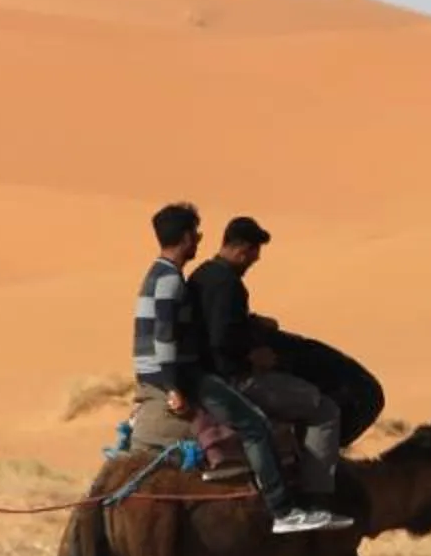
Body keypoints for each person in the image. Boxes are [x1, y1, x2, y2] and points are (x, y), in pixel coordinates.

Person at [133, 202, 348, 536]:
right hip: (188, 375)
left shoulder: (177, 275)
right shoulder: (174, 280)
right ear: (186, 237)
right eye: (195, 233)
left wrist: (253, 324)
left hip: (169, 372)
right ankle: (287, 509)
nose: (199, 239)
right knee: (258, 425)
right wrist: (174, 388)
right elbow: (166, 336)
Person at [185, 215, 348, 510]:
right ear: (240, 249)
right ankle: (317, 498)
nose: (255, 259)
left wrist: (253, 323)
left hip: (206, 377)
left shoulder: (201, 275)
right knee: (323, 408)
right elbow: (222, 337)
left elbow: (215, 324)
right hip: (234, 379)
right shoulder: (228, 283)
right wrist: (253, 353)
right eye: (253, 252)